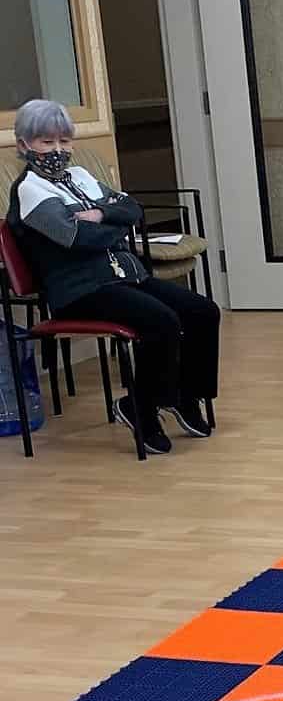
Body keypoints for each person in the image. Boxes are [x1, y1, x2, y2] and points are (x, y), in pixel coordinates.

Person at [7, 99, 220, 455]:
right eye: (47, 142)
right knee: (161, 321)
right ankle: (141, 406)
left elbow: (132, 208)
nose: (58, 150)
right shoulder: (30, 190)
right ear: (24, 145)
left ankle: (185, 396)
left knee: (202, 311)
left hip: (124, 276)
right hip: (80, 290)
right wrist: (113, 223)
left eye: (64, 141)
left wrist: (100, 215)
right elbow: (74, 238)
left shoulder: (80, 176)